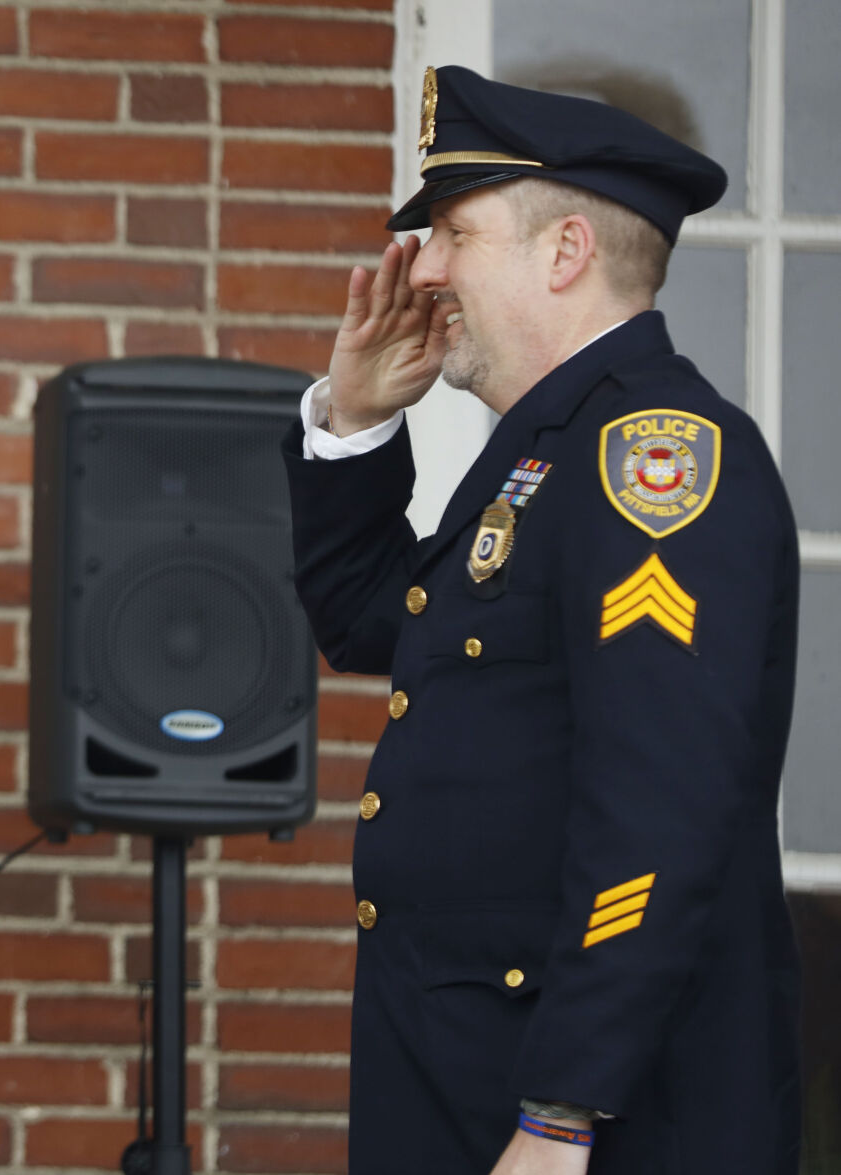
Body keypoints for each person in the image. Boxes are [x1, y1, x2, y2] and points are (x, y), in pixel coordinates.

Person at [282, 66, 800, 1174]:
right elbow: (371, 621)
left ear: (562, 251)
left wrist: (561, 1109)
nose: (419, 268)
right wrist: (355, 421)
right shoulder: (537, 458)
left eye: (451, 234)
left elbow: (657, 809)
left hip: (586, 1115)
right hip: (462, 1075)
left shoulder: (647, 458)